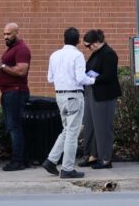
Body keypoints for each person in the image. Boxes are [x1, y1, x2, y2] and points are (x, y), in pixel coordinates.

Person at [42, 27, 95, 179]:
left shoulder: (55, 55)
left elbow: (50, 78)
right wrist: (92, 79)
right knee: (72, 132)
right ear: (78, 40)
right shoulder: (77, 55)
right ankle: (67, 168)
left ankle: (51, 160)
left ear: (64, 39)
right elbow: (80, 78)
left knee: (66, 130)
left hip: (60, 96)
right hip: (74, 95)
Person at [0, 22, 31, 171]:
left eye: (9, 34)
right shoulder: (11, 50)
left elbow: (21, 72)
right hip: (8, 92)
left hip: (16, 92)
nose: (6, 37)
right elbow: (8, 70)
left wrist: (3, 66)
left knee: (14, 127)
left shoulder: (22, 49)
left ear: (17, 33)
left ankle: (17, 162)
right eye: (4, 34)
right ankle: (23, 160)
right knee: (14, 127)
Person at [78, 29, 122, 170]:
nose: (88, 48)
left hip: (104, 96)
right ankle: (92, 155)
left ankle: (105, 158)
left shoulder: (109, 54)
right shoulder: (96, 54)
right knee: (91, 126)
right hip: (92, 93)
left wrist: (91, 79)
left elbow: (109, 76)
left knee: (103, 128)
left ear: (96, 42)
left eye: (88, 45)